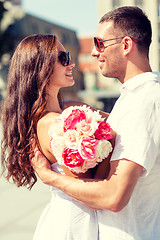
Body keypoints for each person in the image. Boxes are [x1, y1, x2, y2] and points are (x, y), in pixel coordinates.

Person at [32, 6, 160, 240]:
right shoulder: (131, 98)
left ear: (126, 45)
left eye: (100, 43)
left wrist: (50, 177)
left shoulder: (143, 102)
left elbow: (113, 197)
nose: (92, 52)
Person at [1, 34, 114, 240]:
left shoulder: (70, 109)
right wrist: (111, 144)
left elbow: (120, 119)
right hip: (75, 224)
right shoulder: (52, 124)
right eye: (63, 58)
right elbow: (89, 195)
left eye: (68, 56)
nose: (71, 63)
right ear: (40, 67)